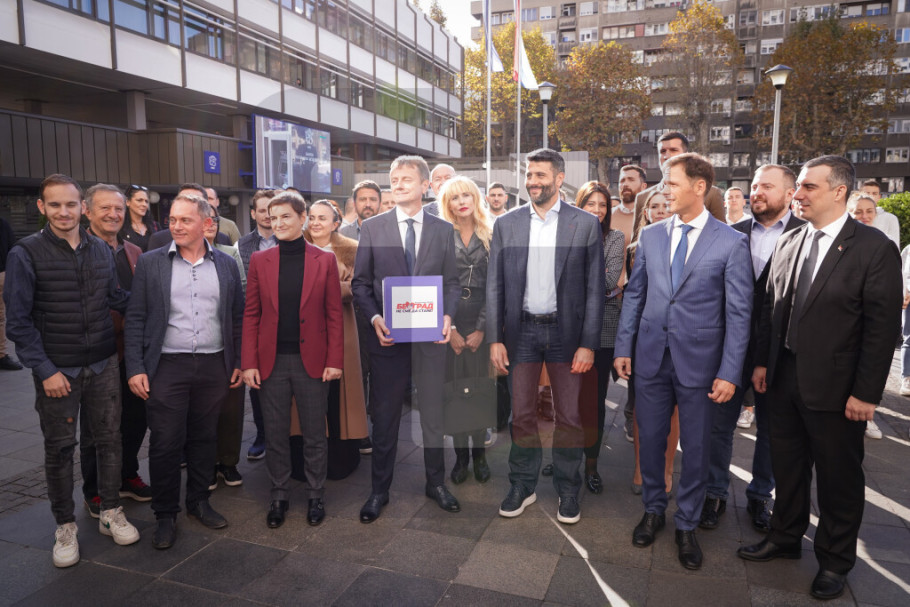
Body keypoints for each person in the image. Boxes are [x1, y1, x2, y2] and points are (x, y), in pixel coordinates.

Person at [739, 156, 901, 601]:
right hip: (783, 379)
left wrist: (866, 393)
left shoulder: (872, 248)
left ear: (839, 191)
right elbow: (771, 308)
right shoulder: (790, 240)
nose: (798, 194)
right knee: (787, 468)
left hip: (839, 389)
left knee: (837, 480)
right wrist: (762, 363)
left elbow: (881, 328)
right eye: (799, 187)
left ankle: (834, 561)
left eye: (809, 187)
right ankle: (785, 537)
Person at [614, 153, 752, 570]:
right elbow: (636, 295)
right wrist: (623, 347)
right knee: (651, 440)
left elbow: (739, 314)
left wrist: (730, 372)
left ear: (699, 187)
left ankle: (687, 523)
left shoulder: (731, 242)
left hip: (703, 367)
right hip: (651, 359)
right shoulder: (652, 236)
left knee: (696, 449)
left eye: (671, 183)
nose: (664, 190)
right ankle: (653, 509)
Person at [5, 174, 139, 568]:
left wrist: (160, 303)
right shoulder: (25, 253)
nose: (64, 212)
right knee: (60, 449)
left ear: (82, 207)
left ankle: (110, 510)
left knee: (109, 440)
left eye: (70, 204)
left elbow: (115, 298)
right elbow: (18, 323)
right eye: (55, 204)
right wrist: (45, 370)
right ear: (42, 207)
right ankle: (65, 526)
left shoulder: (100, 249)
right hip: (57, 372)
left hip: (103, 363)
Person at [487, 148, 605, 525]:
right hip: (520, 332)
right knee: (521, 414)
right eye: (529, 175)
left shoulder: (584, 224)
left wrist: (588, 343)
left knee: (568, 416)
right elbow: (494, 285)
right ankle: (523, 484)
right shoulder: (507, 224)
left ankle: (568, 489)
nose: (532, 182)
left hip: (566, 335)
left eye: (540, 175)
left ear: (559, 179)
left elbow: (594, 290)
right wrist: (495, 338)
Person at [125, 192, 244, 550]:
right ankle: (165, 514)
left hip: (213, 364)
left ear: (206, 224)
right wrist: (135, 367)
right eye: (173, 220)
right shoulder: (151, 263)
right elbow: (136, 318)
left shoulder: (226, 264)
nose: (176, 226)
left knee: (205, 437)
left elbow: (236, 318)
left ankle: (198, 501)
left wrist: (238, 361)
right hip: (167, 365)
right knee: (165, 441)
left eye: (185, 220)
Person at [351, 155, 461, 522]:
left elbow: (452, 283)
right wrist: (375, 318)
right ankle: (378, 490)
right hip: (388, 341)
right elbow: (360, 284)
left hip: (430, 341)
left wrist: (448, 317)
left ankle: (436, 482)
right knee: (384, 418)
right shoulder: (373, 228)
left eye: (406, 179)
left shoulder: (443, 229)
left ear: (426, 186)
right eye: (393, 179)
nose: (397, 185)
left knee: (433, 415)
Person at [701, 164, 802, 534]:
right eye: (755, 186)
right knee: (719, 426)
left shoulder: (805, 236)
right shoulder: (732, 234)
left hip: (780, 355)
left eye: (767, 187)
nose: (757, 192)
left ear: (790, 194)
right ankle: (714, 493)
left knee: (772, 431)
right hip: (730, 350)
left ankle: (760, 496)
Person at [242, 192, 344, 528]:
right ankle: (279, 495)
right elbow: (252, 314)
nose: (278, 223)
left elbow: (333, 314)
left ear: (303, 219)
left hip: (311, 361)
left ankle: (315, 494)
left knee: (315, 433)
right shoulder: (260, 260)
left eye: (285, 216)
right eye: (273, 217)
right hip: (270, 363)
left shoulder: (324, 260)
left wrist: (335, 360)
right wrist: (249, 362)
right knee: (275, 434)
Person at [81, 184, 151, 516]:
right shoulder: (79, 251)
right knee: (97, 426)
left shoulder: (134, 252)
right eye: (105, 208)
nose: (113, 214)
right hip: (95, 353)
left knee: (136, 418)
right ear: (87, 211)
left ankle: (126, 475)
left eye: (118, 208)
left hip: (132, 351)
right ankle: (94, 490)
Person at [303, 200, 369, 479]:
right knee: (308, 390)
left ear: (336, 223)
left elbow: (357, 287)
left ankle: (342, 456)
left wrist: (319, 285)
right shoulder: (297, 246)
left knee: (340, 391)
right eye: (312, 217)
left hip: (342, 327)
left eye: (322, 218)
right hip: (304, 331)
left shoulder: (351, 248)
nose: (315, 223)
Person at [438, 176, 496, 485]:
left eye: (466, 195)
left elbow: (496, 285)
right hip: (450, 320)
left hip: (481, 320)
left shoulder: (491, 233)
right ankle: (461, 457)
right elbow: (434, 283)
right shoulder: (440, 235)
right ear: (446, 203)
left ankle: (480, 456)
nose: (461, 202)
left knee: (481, 391)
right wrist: (451, 329)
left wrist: (482, 329)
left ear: (475, 199)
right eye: (454, 197)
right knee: (455, 392)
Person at [625, 188, 680, 497]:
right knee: (640, 407)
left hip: (677, 339)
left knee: (674, 409)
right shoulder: (635, 248)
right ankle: (639, 467)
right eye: (654, 206)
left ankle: (667, 468)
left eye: (666, 206)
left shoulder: (687, 243)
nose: (660, 210)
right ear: (645, 213)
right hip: (643, 337)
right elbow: (632, 296)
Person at [575, 181, 625, 495]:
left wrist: (575, 280)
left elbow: (609, 281)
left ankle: (591, 466)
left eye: (603, 205)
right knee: (565, 401)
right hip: (568, 330)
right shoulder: (566, 235)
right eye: (590, 204)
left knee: (594, 402)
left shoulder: (615, 237)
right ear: (579, 205)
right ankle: (565, 457)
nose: (597, 210)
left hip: (603, 330)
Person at [203, 204, 247, 489]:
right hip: (196, 347)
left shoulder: (230, 254)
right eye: (204, 220)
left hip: (227, 341)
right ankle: (205, 464)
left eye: (214, 220)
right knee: (203, 411)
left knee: (231, 408)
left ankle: (228, 462)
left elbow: (241, 294)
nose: (210, 224)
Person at [236, 189, 279, 460]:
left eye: (271, 211)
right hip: (256, 322)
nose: (267, 216)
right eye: (262, 210)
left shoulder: (292, 239)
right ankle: (262, 435)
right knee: (257, 382)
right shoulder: (241, 245)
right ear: (253, 213)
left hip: (288, 322)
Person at [632, 132, 725, 242]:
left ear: (686, 155)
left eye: (673, 150)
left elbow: (721, 238)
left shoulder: (711, 194)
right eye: (663, 151)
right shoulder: (642, 197)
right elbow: (636, 244)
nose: (667, 156)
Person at [147, 183, 231, 250]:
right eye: (183, 199)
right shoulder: (159, 240)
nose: (187, 203)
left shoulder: (223, 240)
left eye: (193, 200)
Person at [0, 215, 23, 370]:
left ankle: (1, 355)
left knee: (0, 318)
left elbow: (12, 247)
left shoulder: (2, 223)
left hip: (1, 272)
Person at [119, 184, 159, 252]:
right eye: (139, 200)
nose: (144, 204)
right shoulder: (120, 227)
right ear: (128, 202)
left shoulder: (155, 226)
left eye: (146, 201)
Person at [861, 180, 901, 247]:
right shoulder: (853, 217)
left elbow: (895, 246)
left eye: (874, 193)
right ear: (860, 195)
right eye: (867, 193)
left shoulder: (890, 219)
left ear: (879, 197)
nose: (870, 196)